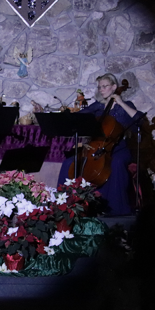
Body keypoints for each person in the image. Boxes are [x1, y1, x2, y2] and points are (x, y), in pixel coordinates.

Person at [58, 73, 142, 216]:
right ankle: (64, 205)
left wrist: (120, 102)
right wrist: (66, 115)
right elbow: (79, 117)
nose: (101, 90)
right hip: (97, 148)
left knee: (116, 164)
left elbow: (140, 120)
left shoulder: (126, 105)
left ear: (114, 87)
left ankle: (115, 210)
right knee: (69, 163)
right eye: (99, 87)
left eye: (105, 86)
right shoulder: (98, 106)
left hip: (119, 148)